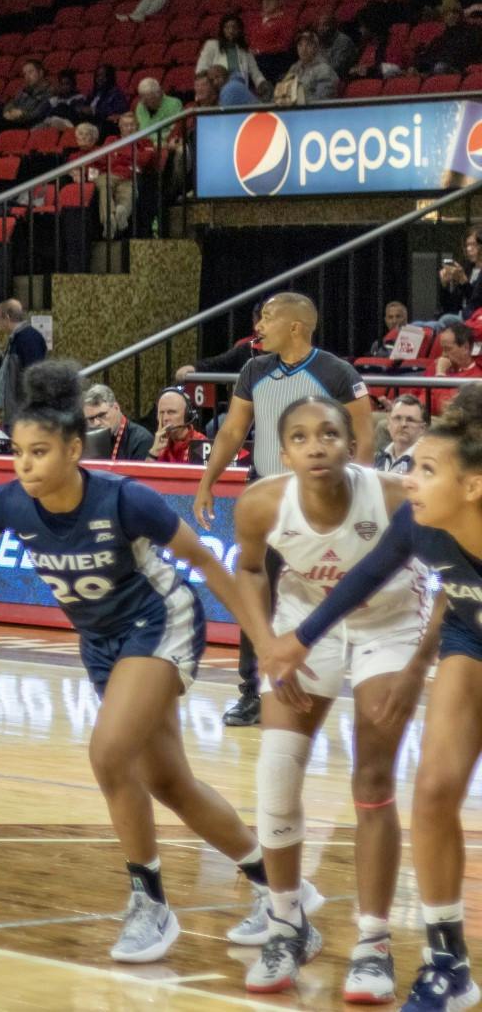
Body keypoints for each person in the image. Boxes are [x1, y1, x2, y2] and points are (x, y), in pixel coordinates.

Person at [0, 361, 275, 964]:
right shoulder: (13, 504)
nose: (24, 465)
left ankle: (150, 903)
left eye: (39, 452)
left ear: (74, 449)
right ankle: (278, 887)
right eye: (17, 452)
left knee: (108, 753)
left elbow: (209, 565)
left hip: (161, 620)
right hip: (100, 643)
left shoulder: (126, 499)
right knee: (169, 783)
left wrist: (264, 643)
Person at [256, 388, 482, 1010]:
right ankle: (447, 964)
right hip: (471, 634)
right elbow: (366, 574)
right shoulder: (418, 521)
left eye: (425, 470)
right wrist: (298, 640)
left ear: (473, 487)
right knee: (434, 791)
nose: (407, 479)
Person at [223, 396, 431, 997]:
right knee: (276, 772)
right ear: (283, 451)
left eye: (329, 434)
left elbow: (444, 572)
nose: (317, 446)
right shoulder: (263, 502)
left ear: (350, 443)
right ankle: (288, 922)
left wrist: (419, 665)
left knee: (371, 780)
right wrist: (265, 643)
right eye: (302, 437)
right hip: (302, 626)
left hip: (387, 624)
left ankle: (373, 941)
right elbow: (251, 570)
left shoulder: (392, 494)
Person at [193, 291, 374, 727]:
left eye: (268, 318)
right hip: (267, 498)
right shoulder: (254, 369)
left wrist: (355, 493)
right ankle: (251, 693)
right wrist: (206, 482)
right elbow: (233, 430)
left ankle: (324, 686)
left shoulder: (336, 372)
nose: (259, 326)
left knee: (323, 597)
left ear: (295, 326)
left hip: (320, 497)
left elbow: (364, 438)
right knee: (258, 597)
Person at [0, 299, 47, 420]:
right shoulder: (19, 338)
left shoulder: (28, 338)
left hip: (24, 417)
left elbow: (35, 379)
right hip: (17, 414)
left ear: (6, 317)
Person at [197, 14, 267, 97]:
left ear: (239, 30)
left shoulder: (245, 51)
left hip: (240, 90)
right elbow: (201, 71)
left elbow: (256, 74)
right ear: (222, 30)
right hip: (218, 92)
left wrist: (262, 83)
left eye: (234, 27)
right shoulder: (212, 46)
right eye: (227, 27)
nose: (231, 31)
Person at [83, 384, 154, 460]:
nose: (96, 423)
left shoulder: (141, 440)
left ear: (116, 408)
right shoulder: (86, 441)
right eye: (91, 419)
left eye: (101, 415)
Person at [272, 30, 341, 106]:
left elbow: (322, 100)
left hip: (315, 113)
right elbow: (283, 93)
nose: (303, 49)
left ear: (316, 48)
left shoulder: (324, 70)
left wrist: (295, 100)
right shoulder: (294, 68)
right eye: (300, 45)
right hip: (293, 111)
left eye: (308, 45)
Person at [432, 321, 482, 415]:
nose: (443, 354)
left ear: (465, 348)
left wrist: (440, 375)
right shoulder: (440, 366)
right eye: (442, 349)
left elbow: (448, 411)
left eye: (448, 349)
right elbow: (422, 403)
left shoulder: (476, 378)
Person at [146, 389, 207, 464]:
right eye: (161, 413)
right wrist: (153, 453)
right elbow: (145, 475)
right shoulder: (158, 444)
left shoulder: (201, 445)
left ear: (187, 415)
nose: (165, 418)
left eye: (171, 412)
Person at [376, 394, 426, 474]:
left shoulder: (425, 463)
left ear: (422, 429)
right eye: (397, 418)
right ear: (389, 424)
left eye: (410, 420)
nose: (403, 424)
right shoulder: (377, 458)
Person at [0, 59, 58, 127]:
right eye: (25, 74)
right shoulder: (24, 90)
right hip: (16, 122)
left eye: (30, 72)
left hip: (32, 125)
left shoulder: (50, 91)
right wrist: (7, 112)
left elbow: (38, 114)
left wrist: (21, 114)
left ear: (41, 73)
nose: (27, 76)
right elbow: (12, 102)